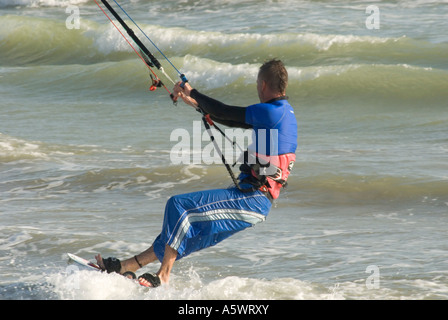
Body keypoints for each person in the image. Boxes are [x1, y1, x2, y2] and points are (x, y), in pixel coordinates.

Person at [95, 59, 298, 287]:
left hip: (251, 200)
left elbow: (225, 111)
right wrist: (193, 102)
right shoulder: (282, 114)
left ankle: (163, 276)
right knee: (178, 236)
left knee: (178, 206)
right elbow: (228, 119)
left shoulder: (272, 112)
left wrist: (194, 92)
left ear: (262, 84)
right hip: (255, 202)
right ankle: (125, 267)